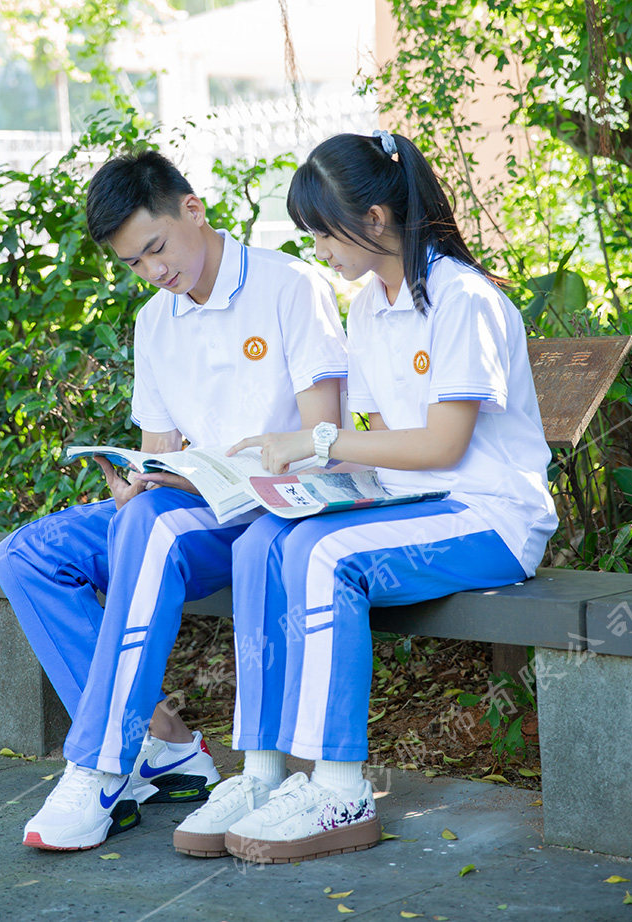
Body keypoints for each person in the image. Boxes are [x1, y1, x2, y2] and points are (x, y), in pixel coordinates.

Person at [173, 130, 558, 864]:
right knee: (266, 540)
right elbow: (385, 441)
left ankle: (341, 785)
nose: (319, 250)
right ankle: (260, 770)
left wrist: (313, 447)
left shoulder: (462, 298)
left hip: (491, 517)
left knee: (325, 557)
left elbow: (442, 446)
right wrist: (307, 480)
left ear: (375, 219)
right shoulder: (369, 307)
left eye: (323, 232)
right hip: (415, 508)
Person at [0, 149, 348, 851]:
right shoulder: (156, 322)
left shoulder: (290, 287)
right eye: (133, 264)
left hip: (268, 515)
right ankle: (167, 746)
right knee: (25, 554)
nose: (153, 272)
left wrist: (173, 490)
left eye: (154, 249)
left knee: (152, 525)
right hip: (184, 511)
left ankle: (98, 765)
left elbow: (319, 440)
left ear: (193, 209)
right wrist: (135, 481)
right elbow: (159, 450)